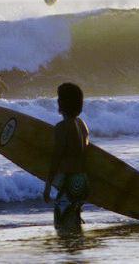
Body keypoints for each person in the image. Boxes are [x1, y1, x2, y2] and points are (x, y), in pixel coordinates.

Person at [43, 82, 90, 232]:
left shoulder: (62, 127)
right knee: (73, 219)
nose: (57, 101)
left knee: (62, 224)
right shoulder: (82, 125)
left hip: (70, 181)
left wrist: (48, 185)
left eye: (59, 98)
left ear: (64, 102)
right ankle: (75, 249)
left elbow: (56, 157)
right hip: (82, 181)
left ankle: (71, 252)